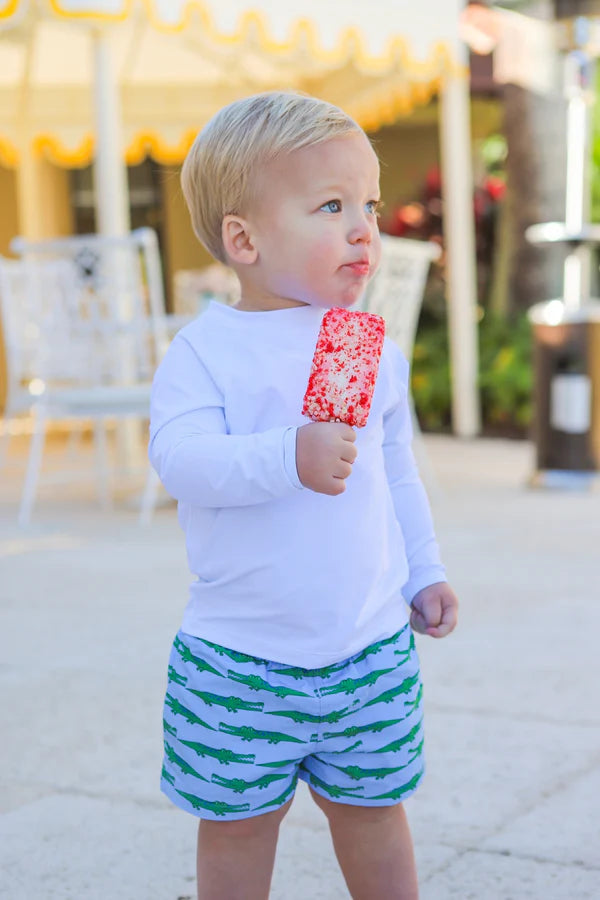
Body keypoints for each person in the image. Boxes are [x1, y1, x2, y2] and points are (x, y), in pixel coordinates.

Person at [149, 90, 458, 900]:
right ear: (243, 240)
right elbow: (182, 462)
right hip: (241, 660)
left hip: (369, 647)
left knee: (374, 812)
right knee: (238, 826)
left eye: (370, 205)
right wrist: (289, 455)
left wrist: (423, 569)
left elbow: (393, 468)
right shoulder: (206, 352)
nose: (364, 228)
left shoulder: (363, 345)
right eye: (331, 206)